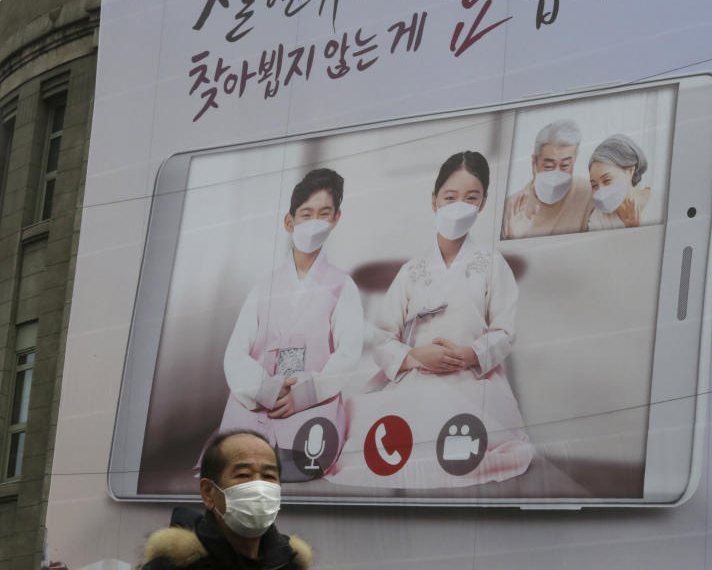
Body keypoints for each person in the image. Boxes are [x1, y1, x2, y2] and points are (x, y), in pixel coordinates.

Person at [329, 151, 533, 488]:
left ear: (482, 204)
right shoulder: (412, 271)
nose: (459, 205)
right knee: (385, 432)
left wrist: (468, 355)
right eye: (450, 197)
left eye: (472, 197)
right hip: (416, 375)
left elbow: (505, 331)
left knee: (459, 425)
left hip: (472, 378)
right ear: (434, 201)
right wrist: (414, 357)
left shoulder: (492, 265)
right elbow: (383, 336)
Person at [216, 168, 364, 452]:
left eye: (324, 214)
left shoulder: (342, 286)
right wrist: (267, 391)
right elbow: (235, 352)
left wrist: (304, 394)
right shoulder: (264, 287)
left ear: (336, 219)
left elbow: (348, 354)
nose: (315, 222)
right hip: (258, 401)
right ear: (289, 221)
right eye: (306, 214)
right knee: (238, 457)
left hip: (312, 401)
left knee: (303, 455)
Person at [142, 430, 313, 569]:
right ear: (209, 492)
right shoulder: (170, 566)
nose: (259, 487)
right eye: (243, 474)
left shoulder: (290, 563)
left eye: (269, 476)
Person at [502, 119, 594, 239]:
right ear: (534, 163)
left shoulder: (588, 193)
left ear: (574, 162)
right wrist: (512, 239)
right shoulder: (511, 208)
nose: (557, 174)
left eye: (565, 165)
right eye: (549, 166)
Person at [587, 134, 656, 230]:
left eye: (607, 180)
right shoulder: (598, 218)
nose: (601, 192)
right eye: (594, 185)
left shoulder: (661, 203)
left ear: (630, 171)